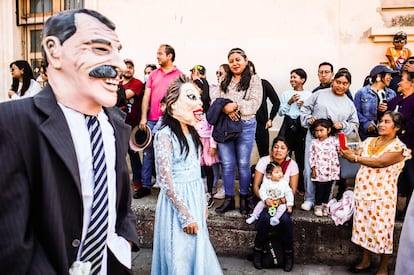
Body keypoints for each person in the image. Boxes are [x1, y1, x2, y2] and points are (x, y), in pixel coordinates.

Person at [0, 9, 139, 274]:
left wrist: (125, 240)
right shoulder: (12, 122)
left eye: (117, 51)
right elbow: (10, 239)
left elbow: (119, 194)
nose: (119, 65)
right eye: (100, 48)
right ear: (55, 51)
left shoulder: (116, 122)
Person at [151, 74, 223, 274]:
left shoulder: (193, 133)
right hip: (177, 201)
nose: (199, 103)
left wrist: (201, 202)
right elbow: (164, 179)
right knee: (180, 253)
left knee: (197, 249)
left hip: (194, 196)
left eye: (199, 98)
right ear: (174, 103)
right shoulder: (164, 134)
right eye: (192, 97)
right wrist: (185, 215)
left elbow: (196, 170)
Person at [339, 111, 411, 275]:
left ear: (397, 127)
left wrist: (355, 158)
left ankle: (383, 267)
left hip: (383, 196)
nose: (382, 124)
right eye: (381, 121)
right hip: (363, 193)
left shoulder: (399, 148)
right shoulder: (370, 141)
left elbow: (380, 162)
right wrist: (346, 152)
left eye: (387, 122)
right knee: (363, 227)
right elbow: (356, 154)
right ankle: (365, 261)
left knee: (382, 231)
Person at [210, 48, 263, 214]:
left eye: (238, 60)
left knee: (243, 164)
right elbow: (215, 99)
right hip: (225, 126)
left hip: (246, 126)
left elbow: (254, 104)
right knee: (227, 164)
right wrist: (225, 108)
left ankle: (245, 199)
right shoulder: (224, 79)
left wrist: (234, 106)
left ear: (246, 60)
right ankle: (229, 199)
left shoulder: (254, 80)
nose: (235, 63)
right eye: (231, 60)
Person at [300, 69, 359, 211]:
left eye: (345, 83)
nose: (341, 86)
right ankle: (309, 198)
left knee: (330, 170)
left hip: (333, 141)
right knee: (310, 168)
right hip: (315, 138)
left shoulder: (349, 103)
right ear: (333, 81)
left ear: (349, 85)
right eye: (338, 82)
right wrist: (309, 119)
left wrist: (342, 125)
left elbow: (355, 124)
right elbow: (305, 109)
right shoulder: (319, 95)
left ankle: (325, 200)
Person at [136, 44, 182, 198]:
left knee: (169, 154)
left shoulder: (180, 75)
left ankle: (167, 187)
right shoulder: (153, 74)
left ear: (170, 56)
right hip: (151, 120)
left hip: (170, 121)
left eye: (160, 53)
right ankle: (146, 185)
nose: (157, 56)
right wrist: (143, 117)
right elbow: (146, 97)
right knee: (148, 153)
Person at [251, 137, 298, 272]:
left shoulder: (292, 165)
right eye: (276, 147)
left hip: (283, 202)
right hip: (265, 200)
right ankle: (258, 251)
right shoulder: (264, 161)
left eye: (283, 148)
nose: (278, 150)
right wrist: (265, 200)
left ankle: (289, 254)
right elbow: (256, 186)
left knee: (285, 221)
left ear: (288, 151)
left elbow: (292, 191)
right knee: (264, 219)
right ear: (272, 149)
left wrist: (281, 201)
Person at [278, 68, 311, 193]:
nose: (292, 79)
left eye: (295, 77)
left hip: (301, 126)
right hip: (288, 124)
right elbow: (281, 112)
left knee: (301, 156)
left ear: (302, 80)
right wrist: (289, 102)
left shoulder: (309, 95)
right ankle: (282, 183)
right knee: (284, 155)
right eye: (291, 77)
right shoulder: (286, 94)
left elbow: (311, 113)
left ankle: (300, 186)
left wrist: (303, 106)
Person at [387, 70, 414, 220]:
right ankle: (393, 211)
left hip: (410, 148)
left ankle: (408, 214)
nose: (398, 82)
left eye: (402, 80)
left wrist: (399, 130)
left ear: (412, 83)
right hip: (392, 149)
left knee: (410, 181)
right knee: (393, 180)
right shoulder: (397, 100)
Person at [118, 59, 145, 197]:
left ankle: (138, 185)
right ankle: (119, 185)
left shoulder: (137, 83)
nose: (128, 69)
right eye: (126, 67)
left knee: (134, 157)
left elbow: (123, 96)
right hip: (118, 127)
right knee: (119, 157)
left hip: (133, 127)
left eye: (131, 67)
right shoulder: (118, 83)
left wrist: (115, 92)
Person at [354, 65, 397, 140]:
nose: (391, 78)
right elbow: (355, 111)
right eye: (388, 75)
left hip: (386, 133)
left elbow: (395, 112)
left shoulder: (391, 93)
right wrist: (367, 124)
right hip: (367, 134)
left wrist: (386, 109)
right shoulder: (362, 92)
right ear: (379, 76)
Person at [248, 61, 280, 158]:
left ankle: (266, 172)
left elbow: (276, 102)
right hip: (244, 124)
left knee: (264, 154)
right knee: (243, 155)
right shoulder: (240, 87)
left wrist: (270, 119)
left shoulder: (263, 83)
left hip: (261, 124)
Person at [246, 161, 293, 226]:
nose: (280, 174)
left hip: (279, 202)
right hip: (269, 202)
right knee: (260, 204)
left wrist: (289, 205)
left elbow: (289, 193)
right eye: (277, 172)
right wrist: (266, 199)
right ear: (269, 175)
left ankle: (275, 218)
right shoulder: (266, 183)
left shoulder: (284, 183)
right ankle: (254, 215)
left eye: (281, 171)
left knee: (283, 207)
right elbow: (262, 191)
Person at [309, 118, 340, 217]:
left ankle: (325, 206)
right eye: (316, 131)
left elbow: (340, 149)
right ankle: (317, 206)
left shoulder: (334, 140)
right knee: (320, 189)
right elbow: (311, 156)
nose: (319, 133)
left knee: (328, 189)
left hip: (331, 170)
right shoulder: (314, 142)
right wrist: (313, 169)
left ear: (329, 130)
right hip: (320, 171)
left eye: (321, 130)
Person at [211, 64, 231, 200]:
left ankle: (225, 187)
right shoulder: (215, 89)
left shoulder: (230, 90)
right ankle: (213, 185)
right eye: (217, 73)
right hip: (213, 128)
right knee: (213, 160)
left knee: (226, 161)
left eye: (221, 73)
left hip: (226, 129)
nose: (218, 76)